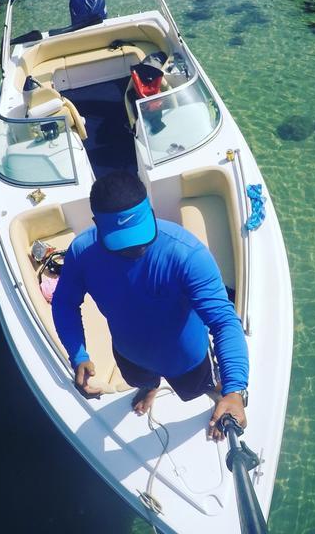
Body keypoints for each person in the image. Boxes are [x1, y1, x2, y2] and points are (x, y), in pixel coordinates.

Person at [52, 170, 249, 441]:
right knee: (141, 381)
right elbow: (64, 303)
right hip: (129, 355)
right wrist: (78, 355)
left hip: (187, 360)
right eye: (122, 241)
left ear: (151, 211)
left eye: (140, 234)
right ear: (97, 223)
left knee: (199, 389)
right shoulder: (81, 252)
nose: (136, 248)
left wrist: (235, 390)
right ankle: (150, 387)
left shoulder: (187, 255)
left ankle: (221, 399)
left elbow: (224, 321)